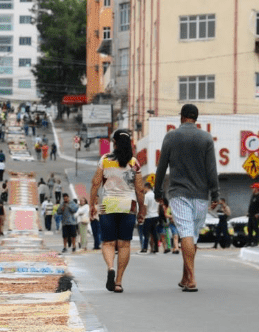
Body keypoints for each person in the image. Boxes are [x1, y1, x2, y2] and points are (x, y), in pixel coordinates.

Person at [154, 104, 220, 293]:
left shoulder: (171, 136)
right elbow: (212, 169)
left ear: (181, 117)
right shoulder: (206, 137)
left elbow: (161, 167)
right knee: (192, 236)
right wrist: (215, 193)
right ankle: (185, 277)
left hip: (179, 194)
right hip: (201, 196)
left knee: (186, 234)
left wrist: (158, 192)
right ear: (196, 118)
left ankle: (191, 279)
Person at [89, 129, 147, 294]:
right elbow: (140, 190)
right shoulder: (134, 163)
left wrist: (92, 204)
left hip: (107, 204)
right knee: (124, 244)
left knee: (108, 242)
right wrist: (142, 210)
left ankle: (110, 268)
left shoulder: (105, 160)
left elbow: (95, 183)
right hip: (128, 205)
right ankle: (119, 282)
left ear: (114, 143)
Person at [139, 185, 156, 253]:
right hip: (155, 216)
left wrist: (143, 216)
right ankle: (153, 248)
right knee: (153, 233)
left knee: (146, 234)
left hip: (148, 216)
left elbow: (145, 207)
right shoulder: (155, 195)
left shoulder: (147, 196)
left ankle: (145, 248)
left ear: (146, 187)